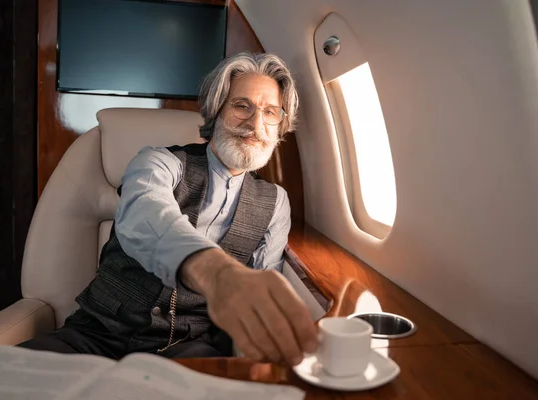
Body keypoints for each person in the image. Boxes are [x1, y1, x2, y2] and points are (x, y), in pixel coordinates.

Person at [18, 52, 318, 366]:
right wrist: (217, 274)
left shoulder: (275, 202)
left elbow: (260, 295)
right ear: (216, 110)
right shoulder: (158, 162)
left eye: (270, 112)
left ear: (280, 125)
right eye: (242, 106)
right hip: (96, 335)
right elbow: (146, 214)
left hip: (189, 349)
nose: (256, 124)